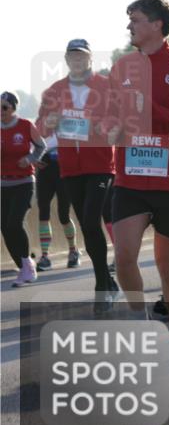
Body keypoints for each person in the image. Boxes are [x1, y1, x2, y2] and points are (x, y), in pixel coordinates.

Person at [105, 0, 169, 361]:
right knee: (123, 257)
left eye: (135, 20)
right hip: (130, 177)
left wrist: (151, 108)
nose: (129, 27)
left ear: (157, 25)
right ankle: (139, 322)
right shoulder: (121, 67)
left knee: (167, 265)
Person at [37, 39, 119, 307]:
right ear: (66, 60)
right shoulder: (54, 91)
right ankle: (106, 279)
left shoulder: (106, 86)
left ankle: (100, 287)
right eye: (73, 56)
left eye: (82, 56)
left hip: (101, 164)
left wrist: (92, 124)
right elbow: (40, 129)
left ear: (90, 59)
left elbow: (117, 119)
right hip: (70, 167)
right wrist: (47, 123)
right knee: (86, 224)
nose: (77, 61)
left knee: (91, 217)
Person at [2, 92, 47, 286]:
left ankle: (27, 265)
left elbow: (41, 146)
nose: (1, 111)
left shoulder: (25, 126)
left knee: (14, 223)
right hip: (3, 184)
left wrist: (29, 159)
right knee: (4, 227)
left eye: (5, 107)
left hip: (24, 183)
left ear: (13, 108)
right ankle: (24, 266)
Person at [32, 131, 79, 271]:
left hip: (64, 168)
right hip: (45, 169)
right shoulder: (40, 123)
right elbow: (31, 142)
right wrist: (34, 158)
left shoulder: (68, 118)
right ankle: (45, 257)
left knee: (63, 215)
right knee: (43, 212)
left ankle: (73, 251)